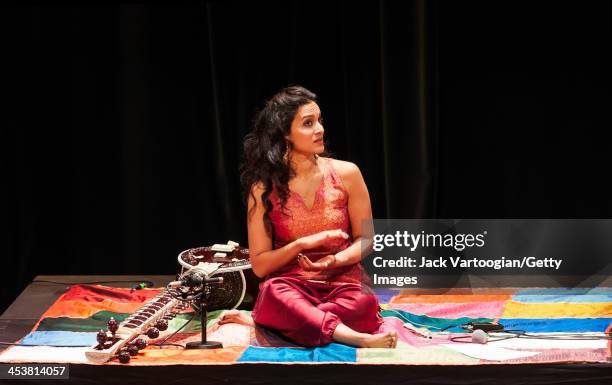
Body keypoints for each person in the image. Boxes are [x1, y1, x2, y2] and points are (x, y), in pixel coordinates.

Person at [220, 85, 397, 348]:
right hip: (291, 285)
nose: (320, 129)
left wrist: (333, 260)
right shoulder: (263, 189)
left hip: (342, 283)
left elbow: (366, 239)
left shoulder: (347, 173)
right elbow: (260, 265)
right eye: (308, 123)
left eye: (319, 121)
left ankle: (279, 322)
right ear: (285, 134)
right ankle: (353, 337)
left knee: (364, 304)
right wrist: (303, 244)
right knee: (273, 294)